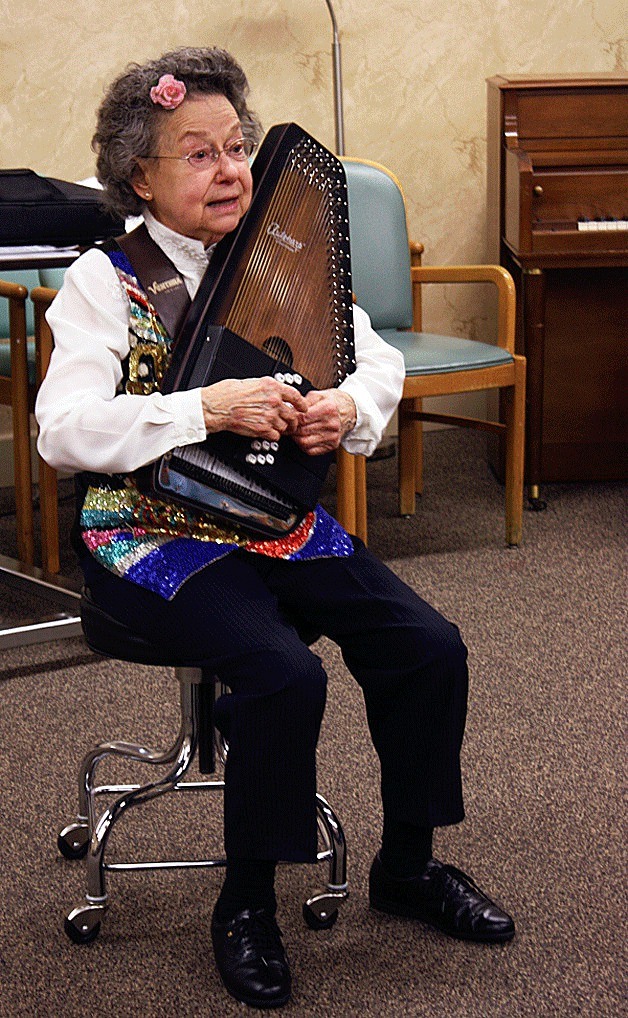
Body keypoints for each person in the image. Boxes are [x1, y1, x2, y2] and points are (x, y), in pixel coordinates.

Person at [36, 47, 515, 1010]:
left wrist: (349, 407)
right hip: (148, 530)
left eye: (239, 147)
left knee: (429, 646)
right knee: (281, 672)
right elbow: (61, 433)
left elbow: (372, 358)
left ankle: (409, 867)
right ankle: (246, 902)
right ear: (141, 176)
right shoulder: (103, 281)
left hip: (273, 519)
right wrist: (202, 409)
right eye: (200, 153)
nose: (230, 169)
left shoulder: (281, 252)